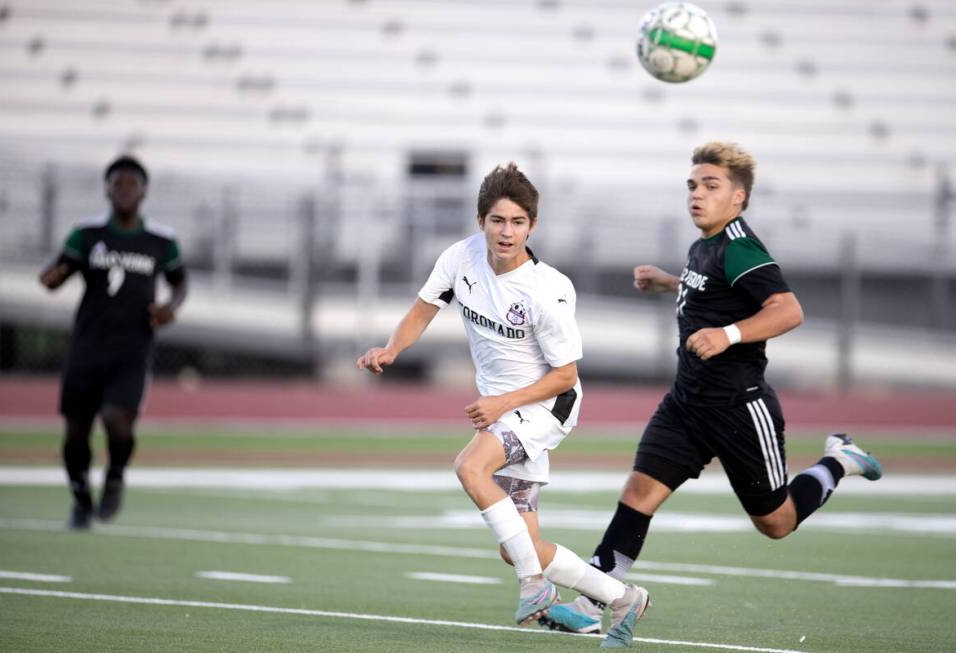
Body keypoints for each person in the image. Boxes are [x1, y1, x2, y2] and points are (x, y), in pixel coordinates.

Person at [540, 141, 883, 640]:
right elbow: (714, 287)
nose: (697, 195)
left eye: (710, 186)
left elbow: (789, 310)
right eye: (693, 185)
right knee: (638, 492)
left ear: (738, 198)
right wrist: (669, 282)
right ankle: (595, 603)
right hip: (686, 403)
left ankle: (839, 460)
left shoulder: (742, 245)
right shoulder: (705, 245)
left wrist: (729, 335)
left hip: (739, 408)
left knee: (777, 522)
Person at [357, 163, 649, 647]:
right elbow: (423, 308)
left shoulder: (547, 291)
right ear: (481, 222)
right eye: (497, 221)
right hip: (505, 407)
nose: (506, 231)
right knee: (519, 547)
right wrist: (391, 349)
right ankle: (622, 598)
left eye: (517, 222)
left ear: (532, 226)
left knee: (471, 467)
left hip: (546, 405)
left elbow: (566, 376)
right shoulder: (460, 258)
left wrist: (499, 405)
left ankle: (535, 588)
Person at [39, 155, 187, 530]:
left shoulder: (160, 240)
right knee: (76, 433)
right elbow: (57, 272)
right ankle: (80, 499)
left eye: (131, 185)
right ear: (107, 189)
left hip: (132, 350)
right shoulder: (87, 234)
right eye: (117, 184)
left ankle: (116, 474)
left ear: (143, 191)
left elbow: (180, 281)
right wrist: (52, 277)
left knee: (117, 421)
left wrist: (171, 306)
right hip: (87, 347)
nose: (124, 191)